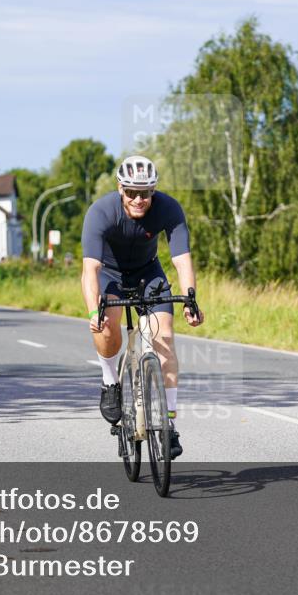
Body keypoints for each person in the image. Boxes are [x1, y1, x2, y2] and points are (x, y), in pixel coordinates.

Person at [80, 154, 204, 458]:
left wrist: (190, 297)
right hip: (109, 273)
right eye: (132, 192)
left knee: (164, 343)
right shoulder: (101, 212)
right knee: (107, 329)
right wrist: (93, 312)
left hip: (148, 273)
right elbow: (90, 269)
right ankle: (110, 380)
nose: (138, 199)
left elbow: (181, 259)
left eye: (145, 193)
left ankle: (169, 423)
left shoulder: (169, 208)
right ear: (121, 188)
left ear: (154, 191)